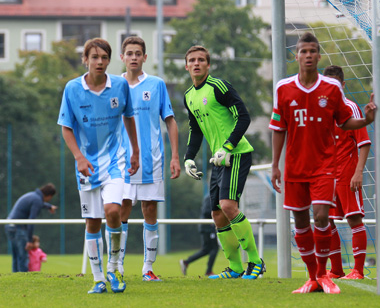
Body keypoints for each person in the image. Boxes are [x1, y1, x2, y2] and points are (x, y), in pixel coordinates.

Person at [269, 32, 376, 294]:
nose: (308, 55)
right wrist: (275, 165)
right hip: (295, 166)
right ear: (296, 55)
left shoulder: (332, 89)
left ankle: (326, 274)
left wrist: (366, 121)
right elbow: (278, 128)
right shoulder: (283, 88)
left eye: (312, 51)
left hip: (325, 167)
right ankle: (313, 277)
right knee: (301, 221)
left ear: (318, 56)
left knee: (321, 216)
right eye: (303, 51)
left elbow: (344, 122)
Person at [57, 38, 140, 294]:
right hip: (87, 167)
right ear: (85, 60)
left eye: (104, 57)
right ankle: (98, 278)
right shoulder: (72, 88)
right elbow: (66, 128)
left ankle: (114, 268)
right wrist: (79, 157)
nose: (100, 62)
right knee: (92, 222)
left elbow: (128, 117)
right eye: (94, 57)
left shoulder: (120, 85)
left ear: (109, 60)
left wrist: (135, 151)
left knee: (113, 211)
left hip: (115, 160)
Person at [183, 45, 265, 280]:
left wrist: (227, 146)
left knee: (228, 206)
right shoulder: (189, 96)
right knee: (217, 214)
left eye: (201, 60)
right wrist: (189, 157)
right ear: (187, 65)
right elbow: (195, 130)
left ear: (208, 65)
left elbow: (244, 117)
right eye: (192, 60)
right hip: (217, 160)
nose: (196, 63)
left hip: (237, 152)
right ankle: (236, 267)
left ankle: (256, 262)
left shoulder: (219, 87)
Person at [118, 36, 180, 282]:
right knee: (120, 209)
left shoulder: (156, 84)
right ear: (122, 58)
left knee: (149, 209)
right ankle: (116, 266)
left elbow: (170, 120)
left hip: (151, 159)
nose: (133, 57)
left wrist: (175, 156)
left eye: (138, 53)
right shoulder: (113, 85)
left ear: (145, 57)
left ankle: (148, 268)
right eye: (129, 53)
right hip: (120, 162)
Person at [323, 65, 370, 280]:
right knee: (326, 221)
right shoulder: (321, 110)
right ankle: (337, 270)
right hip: (326, 175)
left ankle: (358, 271)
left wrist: (358, 172)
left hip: (347, 173)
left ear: (342, 85)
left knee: (354, 220)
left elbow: (363, 142)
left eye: (335, 84)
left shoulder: (350, 108)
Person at [5, 183, 57, 272]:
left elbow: (41, 204)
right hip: (19, 228)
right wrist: (29, 240)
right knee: (23, 257)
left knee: (16, 256)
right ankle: (24, 282)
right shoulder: (37, 200)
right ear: (49, 196)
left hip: (9, 226)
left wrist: (49, 206)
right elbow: (31, 221)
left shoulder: (32, 195)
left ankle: (15, 280)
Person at [179, 195, 219, 276]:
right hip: (207, 227)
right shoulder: (210, 197)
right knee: (214, 248)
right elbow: (206, 212)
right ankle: (209, 271)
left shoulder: (212, 197)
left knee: (206, 249)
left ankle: (186, 262)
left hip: (207, 226)